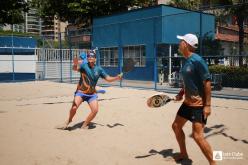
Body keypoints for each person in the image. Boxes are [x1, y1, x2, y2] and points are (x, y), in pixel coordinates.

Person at [172, 34, 216, 165]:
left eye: (181, 41)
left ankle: (213, 163)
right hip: (187, 103)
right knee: (176, 126)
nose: (179, 43)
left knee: (197, 136)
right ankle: (184, 153)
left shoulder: (197, 60)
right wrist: (181, 93)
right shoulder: (186, 60)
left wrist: (207, 105)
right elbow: (188, 82)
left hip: (198, 105)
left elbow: (207, 82)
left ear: (187, 44)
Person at [57, 49, 122, 129]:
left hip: (91, 94)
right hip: (81, 92)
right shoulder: (84, 66)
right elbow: (75, 68)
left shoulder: (99, 69)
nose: (90, 57)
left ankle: (84, 125)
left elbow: (108, 78)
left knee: (95, 110)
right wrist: (75, 63)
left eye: (92, 56)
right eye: (88, 56)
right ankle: (68, 121)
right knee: (74, 107)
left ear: (95, 59)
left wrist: (117, 78)